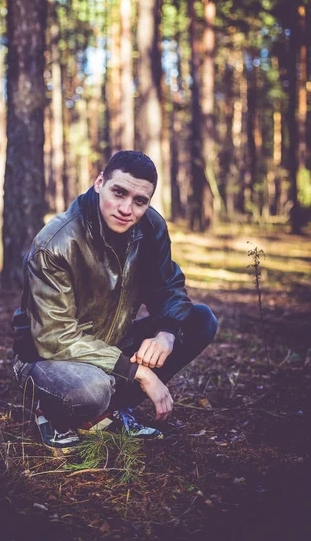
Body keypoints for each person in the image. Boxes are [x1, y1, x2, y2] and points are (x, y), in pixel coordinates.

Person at [12, 151, 217, 455]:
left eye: (140, 200)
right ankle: (51, 412)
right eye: (118, 192)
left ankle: (108, 413)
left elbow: (168, 286)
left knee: (200, 320)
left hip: (110, 345)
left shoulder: (150, 228)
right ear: (99, 183)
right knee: (93, 390)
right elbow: (54, 337)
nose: (126, 209)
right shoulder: (56, 242)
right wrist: (141, 373)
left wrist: (167, 332)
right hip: (48, 357)